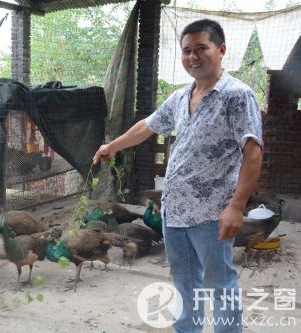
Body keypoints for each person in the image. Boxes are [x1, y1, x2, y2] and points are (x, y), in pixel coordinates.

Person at [93, 19, 263, 332]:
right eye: (187, 51)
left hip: (212, 214)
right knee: (183, 281)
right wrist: (112, 146)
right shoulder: (181, 96)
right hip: (175, 213)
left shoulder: (239, 96)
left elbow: (253, 152)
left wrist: (237, 206)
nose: (193, 57)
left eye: (201, 48)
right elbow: (148, 125)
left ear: (221, 50)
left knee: (220, 284)